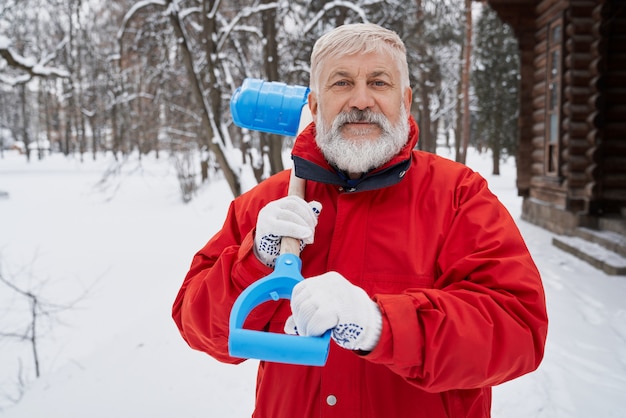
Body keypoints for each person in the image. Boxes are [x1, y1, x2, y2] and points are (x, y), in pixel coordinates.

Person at [172, 23, 548, 418]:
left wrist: (381, 325)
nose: (361, 100)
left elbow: (519, 329)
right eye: (342, 83)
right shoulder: (268, 206)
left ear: (405, 100)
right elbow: (199, 328)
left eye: (379, 82)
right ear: (315, 107)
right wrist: (254, 261)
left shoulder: (458, 197)